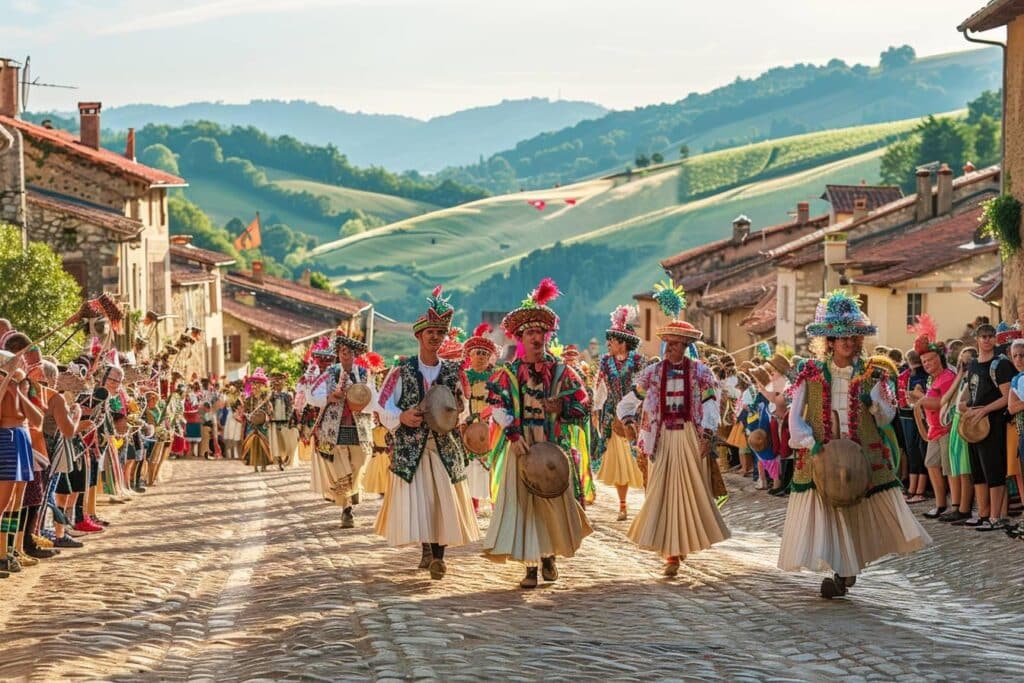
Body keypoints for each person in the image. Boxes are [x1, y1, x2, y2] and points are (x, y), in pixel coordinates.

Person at [779, 290, 931, 599]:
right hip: (822, 457)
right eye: (841, 337)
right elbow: (795, 416)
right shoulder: (809, 373)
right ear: (830, 341)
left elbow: (888, 416)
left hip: (863, 454)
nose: (848, 342)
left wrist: (873, 403)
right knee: (831, 513)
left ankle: (845, 569)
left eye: (852, 337)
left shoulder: (873, 373)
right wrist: (810, 443)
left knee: (857, 512)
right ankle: (842, 570)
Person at [483, 278, 592, 589]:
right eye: (530, 332)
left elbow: (582, 405)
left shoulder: (563, 372)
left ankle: (549, 556)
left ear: (548, 336)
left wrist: (563, 407)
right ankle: (530, 565)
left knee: (552, 503)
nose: (536, 337)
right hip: (522, 447)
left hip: (552, 447)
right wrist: (514, 437)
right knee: (525, 505)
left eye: (541, 332)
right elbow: (498, 407)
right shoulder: (508, 373)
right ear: (520, 338)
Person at [615, 281, 730, 577]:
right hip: (661, 439)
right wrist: (628, 421)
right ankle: (670, 552)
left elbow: (710, 406)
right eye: (670, 344)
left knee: (691, 493)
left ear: (686, 347)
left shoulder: (701, 373)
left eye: (679, 344)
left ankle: (681, 546)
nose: (673, 349)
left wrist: (706, 435)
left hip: (690, 438)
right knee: (662, 493)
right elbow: (629, 402)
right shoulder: (652, 373)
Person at [375, 287, 479, 580]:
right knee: (423, 500)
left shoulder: (455, 372)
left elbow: (464, 405)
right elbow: (383, 406)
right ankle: (427, 548)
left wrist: (460, 410)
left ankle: (439, 555)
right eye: (430, 332)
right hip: (412, 445)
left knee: (442, 498)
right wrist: (402, 417)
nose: (435, 337)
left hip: (444, 445)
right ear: (419, 336)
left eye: (440, 333)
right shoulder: (402, 370)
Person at [309, 331, 377, 528]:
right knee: (340, 465)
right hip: (335, 426)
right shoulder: (329, 373)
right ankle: (346, 509)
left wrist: (361, 401)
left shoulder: (365, 374)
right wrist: (330, 397)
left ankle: (351, 492)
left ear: (355, 354)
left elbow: (373, 398)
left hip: (359, 426)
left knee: (359, 461)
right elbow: (313, 394)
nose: (344, 355)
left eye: (348, 351)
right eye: (341, 351)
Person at [959, 323, 1015, 531]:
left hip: (993, 423)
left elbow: (1006, 396)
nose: (987, 339)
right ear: (977, 339)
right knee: (978, 472)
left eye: (991, 336)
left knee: (994, 470)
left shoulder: (1001, 365)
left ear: (995, 339)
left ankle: (995, 516)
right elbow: (969, 392)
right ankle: (983, 513)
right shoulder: (973, 364)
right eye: (983, 336)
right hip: (975, 425)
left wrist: (984, 410)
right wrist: (963, 406)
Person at [593, 305, 646, 520]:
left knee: (640, 459)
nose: (608, 345)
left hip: (635, 416)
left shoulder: (638, 362)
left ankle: (647, 502)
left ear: (623, 343)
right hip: (612, 417)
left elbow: (642, 387)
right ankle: (623, 506)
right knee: (619, 462)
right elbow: (600, 386)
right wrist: (596, 408)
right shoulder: (605, 362)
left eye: (612, 341)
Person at [913, 335, 958, 520]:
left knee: (949, 468)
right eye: (924, 361)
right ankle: (940, 504)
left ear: (939, 358)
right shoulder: (933, 379)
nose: (927, 363)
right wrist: (921, 398)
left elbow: (943, 403)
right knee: (931, 464)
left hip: (946, 429)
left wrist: (920, 399)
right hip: (934, 430)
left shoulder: (947, 377)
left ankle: (955, 505)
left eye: (930, 359)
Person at [461, 323, 500, 514]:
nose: (481, 357)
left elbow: (500, 402)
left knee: (492, 466)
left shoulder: (496, 377)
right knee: (469, 467)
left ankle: (495, 505)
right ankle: (471, 506)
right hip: (467, 426)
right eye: (478, 353)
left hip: (491, 427)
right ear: (470, 356)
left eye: (485, 354)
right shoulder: (463, 377)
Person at [241, 368, 274, 473]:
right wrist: (248, 416)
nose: (255, 386)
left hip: (263, 425)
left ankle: (264, 464)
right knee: (252, 443)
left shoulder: (266, 399)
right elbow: (245, 411)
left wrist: (267, 417)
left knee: (263, 444)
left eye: (258, 383)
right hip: (251, 424)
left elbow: (270, 412)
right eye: (254, 383)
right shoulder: (249, 399)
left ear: (263, 385)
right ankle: (254, 464)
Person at [267, 373, 298, 470]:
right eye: (275, 384)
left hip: (285, 422)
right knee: (277, 443)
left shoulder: (287, 395)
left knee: (288, 442)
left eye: (280, 383)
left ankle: (287, 458)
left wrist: (288, 418)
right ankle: (280, 461)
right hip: (275, 422)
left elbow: (291, 408)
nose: (278, 385)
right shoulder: (271, 396)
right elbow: (268, 408)